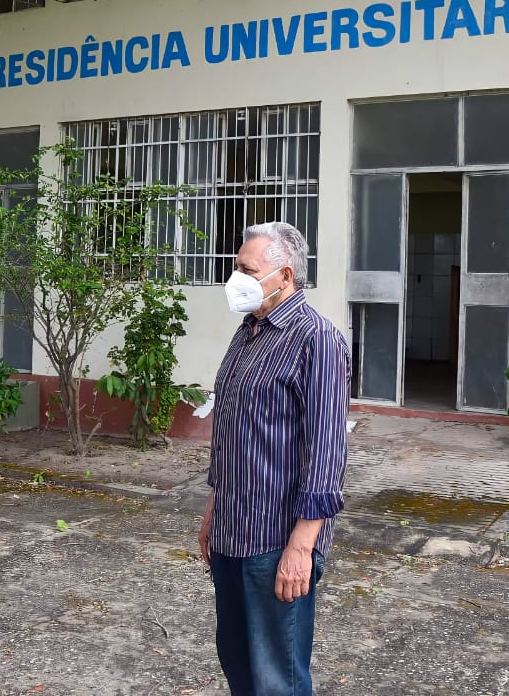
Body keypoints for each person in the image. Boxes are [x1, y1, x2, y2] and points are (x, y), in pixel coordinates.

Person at [199, 221, 351, 696]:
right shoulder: (248, 332)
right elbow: (234, 429)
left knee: (276, 679)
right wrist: (213, 507)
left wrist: (302, 547)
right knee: (238, 664)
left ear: (284, 276)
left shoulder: (316, 339)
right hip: (231, 529)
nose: (236, 277)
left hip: (276, 539)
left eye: (247, 269)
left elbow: (326, 452)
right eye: (236, 266)